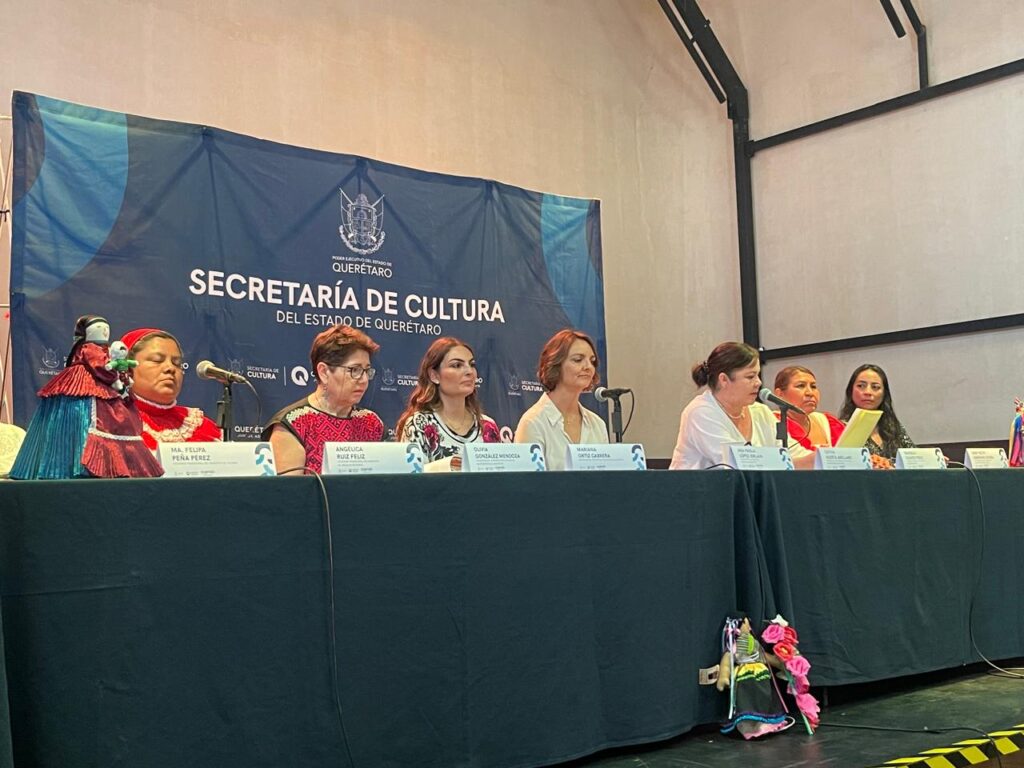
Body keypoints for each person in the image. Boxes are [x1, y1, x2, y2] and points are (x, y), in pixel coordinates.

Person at [11, 315, 163, 479]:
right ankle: (77, 464)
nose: (104, 332)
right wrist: (114, 378)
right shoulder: (90, 349)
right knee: (85, 419)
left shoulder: (103, 349)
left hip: (102, 384)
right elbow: (100, 367)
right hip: (88, 384)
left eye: (106, 328)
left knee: (114, 418)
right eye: (99, 328)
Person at [669, 342, 814, 470]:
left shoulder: (760, 412)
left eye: (758, 375)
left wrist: (819, 458)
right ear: (724, 380)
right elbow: (737, 464)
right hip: (697, 491)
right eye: (750, 377)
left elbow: (794, 455)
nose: (758, 383)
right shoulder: (701, 412)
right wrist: (787, 462)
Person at [263, 324, 385, 474]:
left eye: (367, 371)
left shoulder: (371, 423)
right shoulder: (294, 424)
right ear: (324, 372)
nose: (364, 380)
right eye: (355, 370)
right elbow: (287, 488)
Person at [396, 337, 501, 468]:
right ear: (434, 375)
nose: (469, 372)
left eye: (472, 365)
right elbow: (412, 476)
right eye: (457, 365)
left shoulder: (488, 426)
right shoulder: (419, 424)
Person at [514, 329, 608, 471]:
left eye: (592, 361)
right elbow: (527, 483)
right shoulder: (533, 423)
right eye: (578, 360)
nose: (588, 367)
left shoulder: (598, 424)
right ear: (556, 365)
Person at [120, 328, 222, 450]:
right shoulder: (113, 421)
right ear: (127, 369)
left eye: (177, 363)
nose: (170, 368)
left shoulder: (202, 427)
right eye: (157, 360)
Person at [839, 363, 915, 466]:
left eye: (875, 387)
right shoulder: (840, 428)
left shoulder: (894, 427)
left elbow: (914, 459)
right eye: (861, 386)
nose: (868, 392)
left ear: (884, 394)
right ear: (850, 391)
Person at [772, 366, 845, 452]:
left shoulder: (828, 422)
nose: (810, 393)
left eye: (813, 386)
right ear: (779, 394)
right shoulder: (771, 423)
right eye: (800, 386)